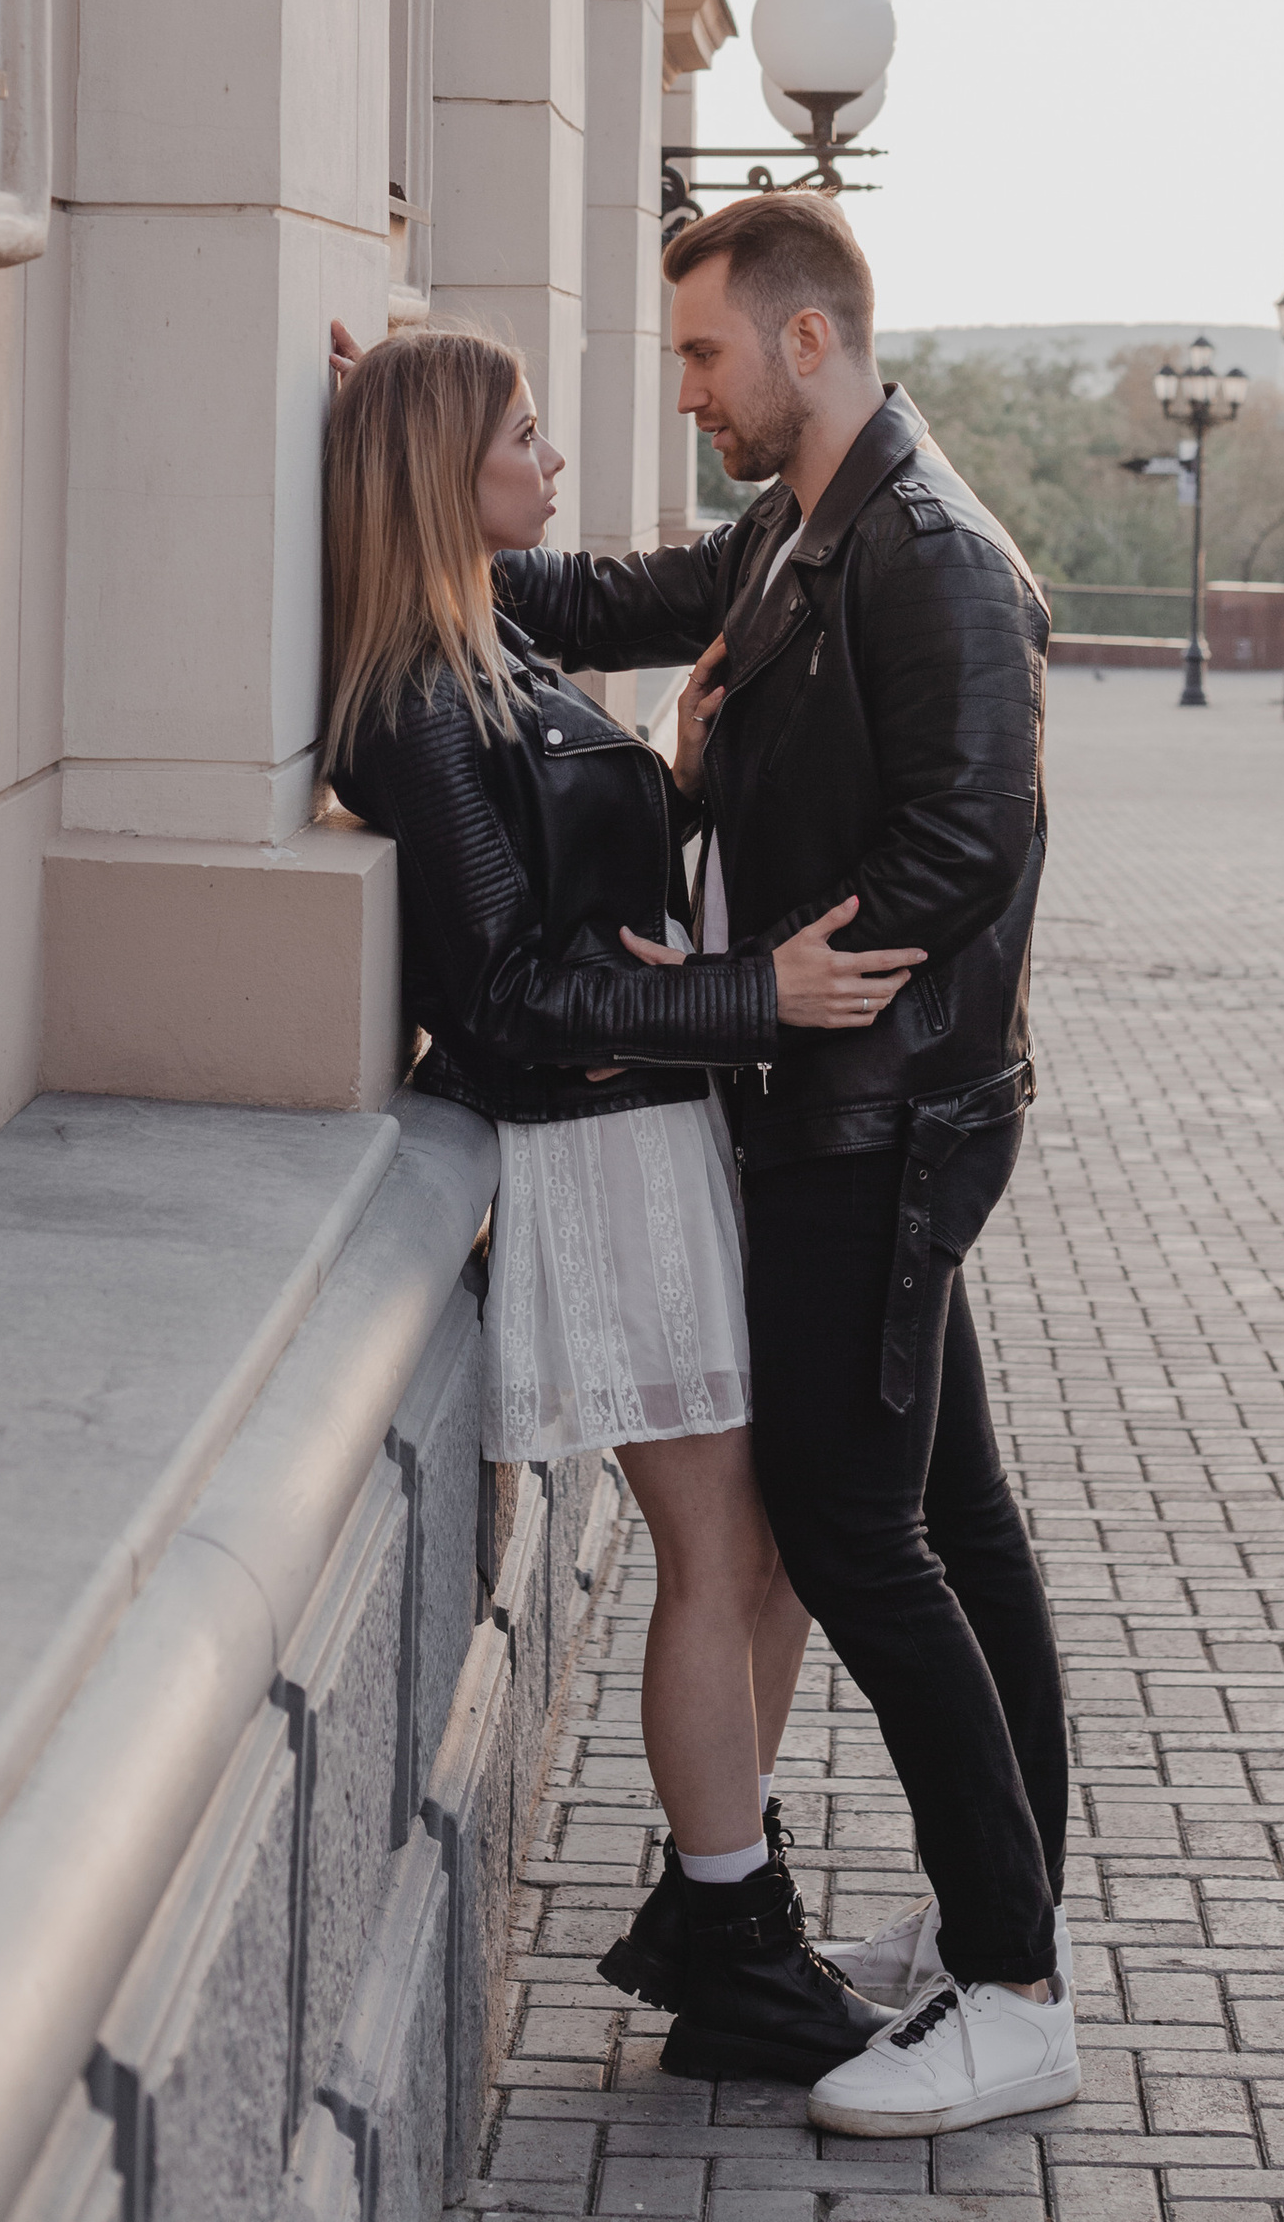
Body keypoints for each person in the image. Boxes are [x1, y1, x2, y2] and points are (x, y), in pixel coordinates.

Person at [490, 191, 1079, 2139]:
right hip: (847, 1102)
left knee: (849, 1529)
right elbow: (588, 603)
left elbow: (960, 845)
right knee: (956, 1516)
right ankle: (1007, 1925)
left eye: (702, 356)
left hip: (878, 1117)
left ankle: (1006, 1985)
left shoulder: (927, 558)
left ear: (806, 345)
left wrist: (744, 999)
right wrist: (411, 480)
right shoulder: (789, 533)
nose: (687, 392)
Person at [321, 323, 903, 2087]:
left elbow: (586, 900)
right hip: (595, 1152)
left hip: (658, 1131)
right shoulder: (418, 696)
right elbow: (503, 997)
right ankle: (732, 1945)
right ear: (447, 472)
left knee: (774, 1544)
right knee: (722, 1550)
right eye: (521, 433)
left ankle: (728, 1898)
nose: (556, 459)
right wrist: (759, 1001)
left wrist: (687, 769)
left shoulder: (498, 643)